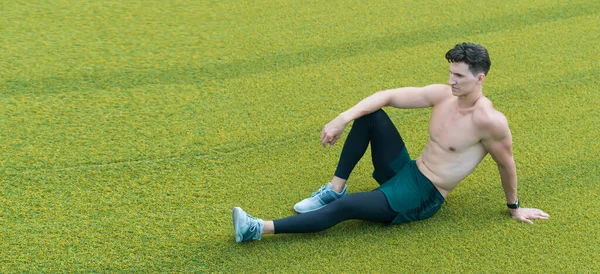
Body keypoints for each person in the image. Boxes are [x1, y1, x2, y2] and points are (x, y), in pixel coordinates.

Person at [232, 42, 549, 243]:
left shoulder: (489, 121)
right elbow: (388, 96)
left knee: (349, 208)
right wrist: (342, 118)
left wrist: (514, 209)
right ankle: (334, 188)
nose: (451, 81)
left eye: (460, 77)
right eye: (450, 73)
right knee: (371, 115)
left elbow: (506, 164)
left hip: (424, 194)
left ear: (480, 78)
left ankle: (258, 229)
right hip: (408, 170)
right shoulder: (443, 95)